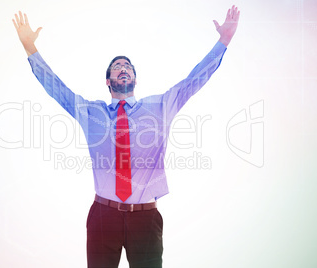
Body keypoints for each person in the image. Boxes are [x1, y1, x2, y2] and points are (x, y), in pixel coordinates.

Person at [12, 5, 240, 268]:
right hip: (102, 215)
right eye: (117, 66)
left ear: (134, 77)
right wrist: (30, 48)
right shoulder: (91, 112)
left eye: (128, 66)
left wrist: (224, 40)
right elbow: (57, 88)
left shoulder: (161, 106)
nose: (123, 68)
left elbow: (194, 79)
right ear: (108, 80)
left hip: (145, 218)